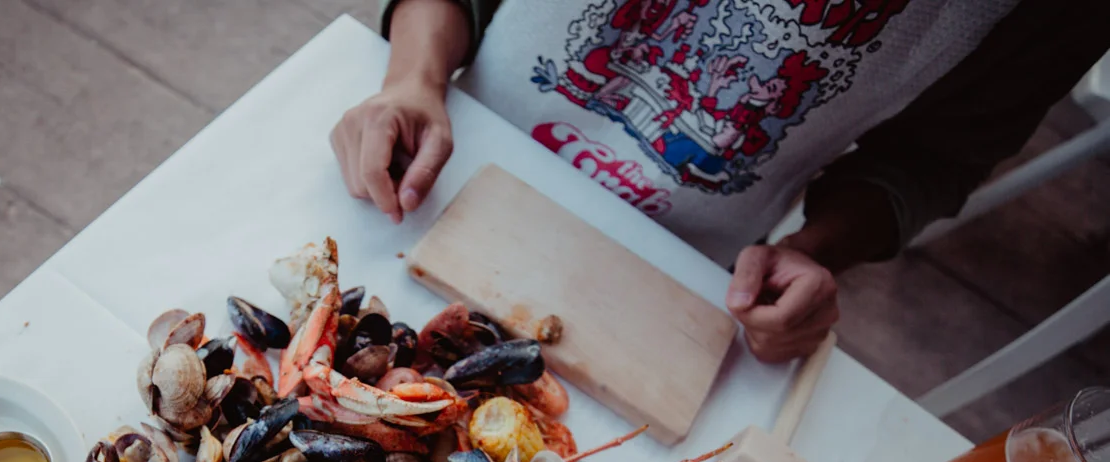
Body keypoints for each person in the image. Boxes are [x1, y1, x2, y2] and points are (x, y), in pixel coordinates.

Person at [331, 0, 1110, 362]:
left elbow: (935, 156)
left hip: (676, 265)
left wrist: (815, 252)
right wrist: (413, 78)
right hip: (440, 156)